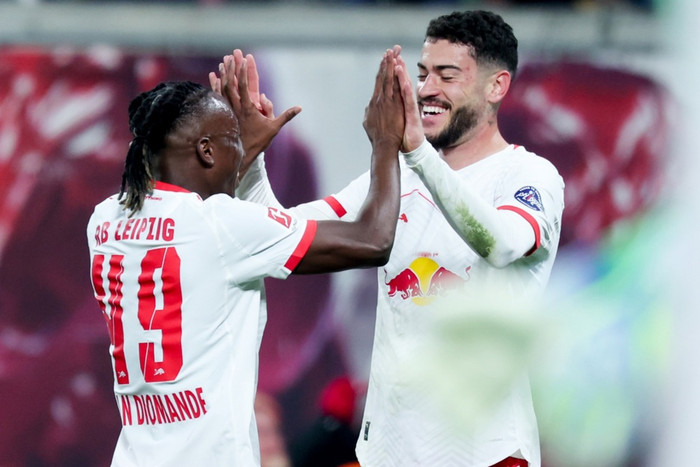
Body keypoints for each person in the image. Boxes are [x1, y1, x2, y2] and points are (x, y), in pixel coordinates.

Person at [230, 10, 565, 467]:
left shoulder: (528, 175)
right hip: (388, 454)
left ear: (496, 86)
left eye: (447, 75)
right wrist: (250, 161)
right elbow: (282, 236)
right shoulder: (398, 179)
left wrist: (417, 153)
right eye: (423, 74)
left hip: (486, 454)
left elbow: (502, 244)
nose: (427, 89)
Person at [86, 49, 404, 466]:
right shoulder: (221, 227)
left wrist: (243, 155)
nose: (240, 151)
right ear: (205, 152)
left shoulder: (105, 220)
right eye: (232, 142)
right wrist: (386, 141)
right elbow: (373, 240)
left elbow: (214, 228)